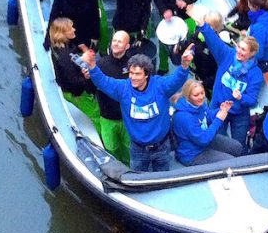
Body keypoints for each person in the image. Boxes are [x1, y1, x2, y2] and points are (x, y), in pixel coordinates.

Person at [82, 49, 193, 172]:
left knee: (163, 177)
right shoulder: (123, 88)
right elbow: (103, 82)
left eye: (137, 74)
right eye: (131, 73)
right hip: (137, 149)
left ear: (147, 74)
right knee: (138, 176)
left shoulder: (160, 86)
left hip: (162, 147)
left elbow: (177, 79)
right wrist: (92, 65)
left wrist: (184, 65)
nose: (133, 77)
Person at [188, 6, 263, 147]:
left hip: (238, 114)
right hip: (218, 106)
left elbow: (252, 100)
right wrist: (202, 25)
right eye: (238, 47)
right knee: (219, 141)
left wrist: (241, 97)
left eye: (243, 50)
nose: (238, 51)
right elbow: (213, 40)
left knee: (238, 145)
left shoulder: (255, 74)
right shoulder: (227, 55)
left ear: (251, 54)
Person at [172, 79, 243, 166]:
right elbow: (203, 140)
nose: (201, 97)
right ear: (188, 97)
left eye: (202, 93)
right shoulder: (184, 117)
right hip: (192, 153)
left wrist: (222, 109)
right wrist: (219, 119)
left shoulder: (199, 104)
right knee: (231, 162)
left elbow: (208, 117)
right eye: (196, 95)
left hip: (204, 139)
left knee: (237, 147)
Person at [47, 18, 100, 128]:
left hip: (77, 83)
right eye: (70, 28)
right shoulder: (64, 56)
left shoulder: (64, 47)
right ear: (62, 33)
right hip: (75, 93)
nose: (74, 29)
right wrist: (86, 77)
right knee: (96, 113)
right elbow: (73, 81)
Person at [94, 31, 134, 162]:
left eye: (120, 41)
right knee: (111, 149)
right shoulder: (100, 65)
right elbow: (90, 89)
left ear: (127, 46)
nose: (115, 44)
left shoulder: (133, 64)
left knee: (129, 149)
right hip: (108, 118)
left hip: (128, 117)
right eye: (114, 40)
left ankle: (130, 170)